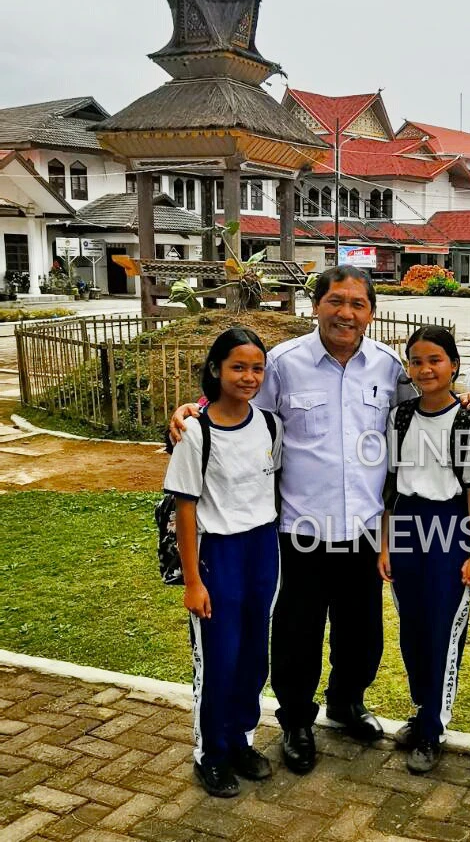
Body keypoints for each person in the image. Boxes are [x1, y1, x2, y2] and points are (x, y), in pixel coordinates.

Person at [168, 266, 470, 775]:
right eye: (336, 301)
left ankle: (347, 702)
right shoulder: (285, 365)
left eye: (358, 303)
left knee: (362, 632)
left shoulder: (387, 368)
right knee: (297, 633)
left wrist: (465, 395)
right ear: (317, 306)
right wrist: (190, 412)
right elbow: (236, 406)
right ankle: (295, 721)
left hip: (363, 527)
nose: (346, 313)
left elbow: (429, 400)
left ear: (371, 313)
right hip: (298, 528)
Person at [163, 327, 282, 798]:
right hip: (219, 555)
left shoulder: (270, 425)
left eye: (256, 368)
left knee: (254, 655)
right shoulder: (196, 431)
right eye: (238, 367)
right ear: (216, 370)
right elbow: (185, 509)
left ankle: (241, 740)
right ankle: (210, 753)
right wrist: (194, 580)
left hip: (262, 549)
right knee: (219, 658)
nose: (248, 377)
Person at [378, 326, 470, 774]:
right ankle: (422, 708)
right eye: (417, 361)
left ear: (454, 365)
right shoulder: (400, 417)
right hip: (406, 524)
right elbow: (388, 482)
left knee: (444, 628)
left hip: (450, 525)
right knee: (413, 627)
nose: (426, 369)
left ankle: (434, 728)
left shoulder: (467, 419)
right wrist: (385, 542)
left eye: (436, 360)